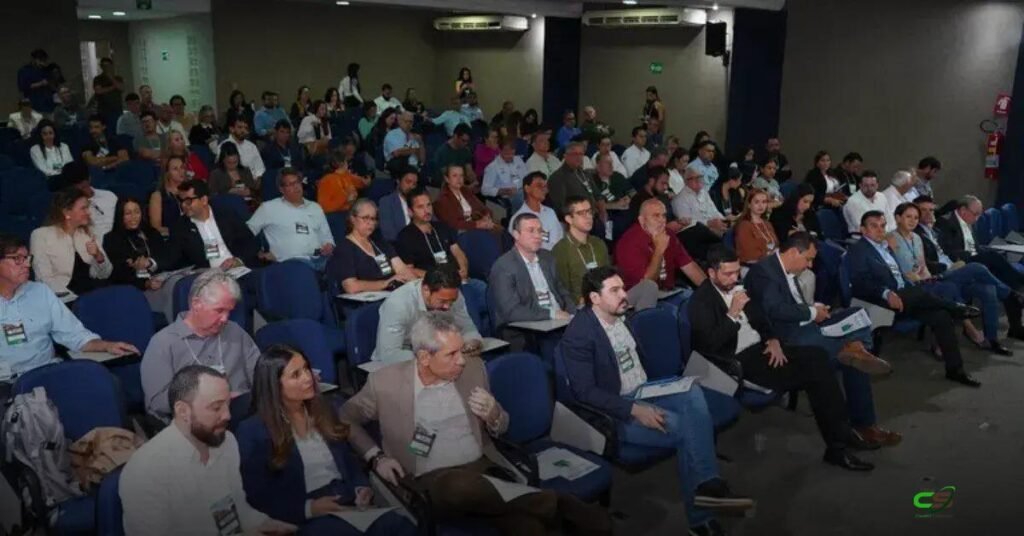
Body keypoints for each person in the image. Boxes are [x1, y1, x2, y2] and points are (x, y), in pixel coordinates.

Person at [341, 312, 611, 536]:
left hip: (483, 468)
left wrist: (493, 414)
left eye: (462, 350)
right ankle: (555, 502)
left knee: (530, 528)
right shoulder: (385, 383)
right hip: (428, 479)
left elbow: (503, 426)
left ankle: (543, 506)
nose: (461, 360)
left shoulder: (473, 369)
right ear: (424, 357)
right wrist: (376, 457)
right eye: (451, 354)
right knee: (456, 486)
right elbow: (345, 416)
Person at [562, 267, 753, 536]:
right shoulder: (579, 334)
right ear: (594, 298)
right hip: (618, 407)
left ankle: (709, 483)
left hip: (645, 389)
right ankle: (700, 517)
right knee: (686, 427)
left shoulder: (619, 316)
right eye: (614, 290)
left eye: (623, 288)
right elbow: (585, 393)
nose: (624, 295)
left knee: (693, 391)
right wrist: (633, 409)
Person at [691, 246, 878, 471]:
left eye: (737, 272)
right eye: (727, 274)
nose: (734, 278)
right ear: (711, 273)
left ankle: (841, 439)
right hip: (738, 361)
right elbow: (710, 345)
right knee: (817, 372)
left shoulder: (738, 288)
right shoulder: (701, 301)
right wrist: (732, 315)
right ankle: (840, 443)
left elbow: (760, 317)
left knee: (819, 357)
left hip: (763, 347)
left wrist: (772, 339)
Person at [237, 346, 416, 535]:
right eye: (296, 375)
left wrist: (360, 487)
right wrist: (309, 508)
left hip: (344, 499)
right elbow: (256, 495)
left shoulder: (325, 409)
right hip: (304, 512)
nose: (308, 378)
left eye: (306, 369)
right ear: (274, 385)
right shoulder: (252, 431)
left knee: (400, 526)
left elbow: (348, 460)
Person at [744, 234, 901, 446]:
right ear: (793, 252)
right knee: (855, 366)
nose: (809, 265)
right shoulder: (764, 272)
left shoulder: (788, 269)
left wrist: (815, 309)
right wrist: (811, 313)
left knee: (860, 314)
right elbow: (776, 310)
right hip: (788, 336)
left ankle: (856, 348)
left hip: (808, 325)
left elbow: (796, 304)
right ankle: (866, 425)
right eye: (808, 259)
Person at [121, 365, 297, 536]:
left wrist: (264, 524)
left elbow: (237, 509)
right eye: (216, 407)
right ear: (183, 411)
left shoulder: (226, 442)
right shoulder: (145, 470)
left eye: (228, 405)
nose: (227, 415)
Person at [848, 211, 982, 387]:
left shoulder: (886, 247)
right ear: (863, 230)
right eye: (874, 226)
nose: (880, 230)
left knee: (940, 316)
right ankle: (955, 307)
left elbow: (900, 276)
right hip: (879, 303)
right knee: (923, 294)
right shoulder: (858, 250)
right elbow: (860, 283)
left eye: (882, 226)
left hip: (906, 297)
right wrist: (886, 293)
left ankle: (955, 370)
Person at [0, 233, 136, 381]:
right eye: (17, 259)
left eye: (26, 258)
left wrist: (107, 346)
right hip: (6, 382)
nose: (26, 264)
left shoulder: (40, 292)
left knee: (105, 383)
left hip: (47, 374)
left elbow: (74, 335)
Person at [887, 202, 1010, 355]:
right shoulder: (891, 238)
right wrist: (925, 277)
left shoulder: (917, 238)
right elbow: (904, 271)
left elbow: (922, 265)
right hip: (914, 285)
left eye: (915, 218)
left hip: (933, 278)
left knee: (987, 289)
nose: (913, 221)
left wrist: (930, 276)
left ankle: (992, 340)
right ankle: (1009, 296)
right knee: (975, 268)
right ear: (898, 218)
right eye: (908, 217)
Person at [141, 268, 260, 417]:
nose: (225, 318)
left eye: (229, 311)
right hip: (195, 424)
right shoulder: (163, 343)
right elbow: (157, 403)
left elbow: (260, 377)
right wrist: (205, 400)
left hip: (243, 414)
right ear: (196, 304)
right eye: (219, 310)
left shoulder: (235, 332)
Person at [915, 195, 1024, 341]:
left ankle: (1014, 327)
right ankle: (1017, 288)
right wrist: (969, 255)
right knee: (992, 259)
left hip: (970, 261)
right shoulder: (944, 223)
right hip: (958, 264)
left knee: (999, 282)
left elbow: (974, 247)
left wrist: (978, 252)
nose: (978, 217)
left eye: (931, 210)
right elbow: (947, 252)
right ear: (963, 210)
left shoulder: (967, 223)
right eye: (975, 214)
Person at [554, 196, 658, 310]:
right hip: (585, 305)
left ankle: (633, 324)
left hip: (609, 297)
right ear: (569, 219)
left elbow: (610, 275)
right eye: (581, 213)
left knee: (648, 286)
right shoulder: (561, 250)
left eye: (589, 211)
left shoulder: (598, 243)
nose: (588, 217)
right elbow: (562, 290)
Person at [488, 213, 575, 346]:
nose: (537, 235)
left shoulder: (548, 258)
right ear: (516, 235)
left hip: (560, 323)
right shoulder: (503, 266)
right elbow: (511, 312)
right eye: (531, 231)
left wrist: (572, 312)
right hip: (526, 331)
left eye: (540, 231)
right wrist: (551, 314)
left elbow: (562, 292)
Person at [373, 265, 481, 363]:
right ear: (426, 290)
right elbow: (389, 354)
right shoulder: (398, 304)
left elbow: (467, 327)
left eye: (452, 301)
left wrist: (472, 341)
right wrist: (435, 357)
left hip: (442, 353)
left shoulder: (451, 295)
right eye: (442, 301)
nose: (448, 306)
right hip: (404, 359)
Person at [616, 198, 706, 297]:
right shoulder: (629, 242)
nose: (662, 220)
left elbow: (689, 266)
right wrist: (659, 250)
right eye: (656, 216)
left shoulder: (669, 234)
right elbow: (646, 285)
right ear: (642, 220)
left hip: (669, 292)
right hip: (640, 299)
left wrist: (713, 292)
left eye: (664, 216)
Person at [30, 188, 112, 296]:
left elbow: (105, 274)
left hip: (92, 294)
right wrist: (72, 298)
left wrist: (98, 256)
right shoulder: (41, 235)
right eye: (83, 208)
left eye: (88, 207)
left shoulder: (88, 234)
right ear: (66, 212)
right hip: (61, 299)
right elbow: (43, 278)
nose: (88, 212)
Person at [247, 168, 334, 269]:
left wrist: (329, 246)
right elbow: (247, 233)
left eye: (297, 182)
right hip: (292, 263)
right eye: (290, 184)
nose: (296, 187)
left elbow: (327, 237)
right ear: (281, 189)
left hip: (320, 259)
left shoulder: (315, 207)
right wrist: (259, 253)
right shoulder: (269, 208)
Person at [327, 199, 416, 294]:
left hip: (393, 294)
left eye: (373, 219)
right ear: (353, 219)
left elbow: (403, 270)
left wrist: (417, 285)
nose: (370, 223)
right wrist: (385, 283)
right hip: (365, 303)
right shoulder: (344, 248)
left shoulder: (380, 243)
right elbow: (351, 286)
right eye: (365, 218)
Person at [170, 179, 260, 270]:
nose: (183, 205)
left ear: (204, 200)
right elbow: (177, 261)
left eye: (188, 201)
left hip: (239, 267)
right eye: (181, 201)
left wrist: (239, 260)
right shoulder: (180, 227)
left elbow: (251, 242)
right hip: (209, 277)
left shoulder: (226, 214)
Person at [395, 188, 470, 279]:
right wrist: (439, 277)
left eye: (428, 205)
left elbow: (458, 252)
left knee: (481, 286)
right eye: (420, 207)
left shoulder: (442, 226)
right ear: (410, 212)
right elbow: (409, 270)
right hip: (433, 284)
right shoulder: (405, 236)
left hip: (457, 278)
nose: (427, 211)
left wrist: (463, 269)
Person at [103, 196, 172, 293]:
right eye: (128, 213)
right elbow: (119, 274)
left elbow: (165, 257)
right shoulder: (112, 239)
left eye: (137, 212)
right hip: (130, 289)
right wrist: (145, 283)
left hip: (159, 281)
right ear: (120, 215)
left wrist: (151, 263)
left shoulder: (152, 233)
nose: (133, 217)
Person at [672, 167, 727, 260]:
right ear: (686, 181)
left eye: (700, 177)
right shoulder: (679, 199)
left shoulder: (704, 193)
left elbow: (714, 211)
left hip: (715, 229)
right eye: (695, 178)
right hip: (697, 236)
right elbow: (687, 224)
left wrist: (724, 221)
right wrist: (709, 223)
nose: (699, 180)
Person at [60, 161, 117, 240]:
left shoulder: (109, 196)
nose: (82, 191)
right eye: (78, 188)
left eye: (84, 186)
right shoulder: (71, 208)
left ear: (89, 179)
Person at [434, 164, 498, 232]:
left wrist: (486, 216)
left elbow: (484, 209)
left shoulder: (465, 191)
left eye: (461, 175)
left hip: (478, 227)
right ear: (447, 179)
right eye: (455, 176)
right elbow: (454, 224)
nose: (459, 179)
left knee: (503, 235)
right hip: (461, 233)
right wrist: (477, 224)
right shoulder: (442, 199)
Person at [547, 142, 603, 220]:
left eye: (581, 154)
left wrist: (603, 212)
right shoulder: (557, 178)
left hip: (594, 217)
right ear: (566, 156)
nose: (578, 157)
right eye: (575, 154)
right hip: (576, 220)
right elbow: (561, 207)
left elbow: (598, 196)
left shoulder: (585, 174)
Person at [511, 172, 563, 250]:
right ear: (527, 189)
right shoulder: (518, 219)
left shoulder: (550, 212)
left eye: (545, 186)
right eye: (539, 186)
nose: (544, 189)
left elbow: (560, 236)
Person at [734, 189, 781, 264]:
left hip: (769, 262)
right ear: (749, 204)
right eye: (756, 202)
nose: (761, 205)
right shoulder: (744, 225)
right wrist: (769, 254)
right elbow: (749, 253)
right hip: (752, 265)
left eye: (764, 202)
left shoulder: (767, 224)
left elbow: (776, 244)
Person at [481, 137, 527, 211]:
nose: (509, 155)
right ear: (500, 150)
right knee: (522, 198)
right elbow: (484, 190)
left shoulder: (518, 160)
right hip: (507, 197)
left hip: (522, 191)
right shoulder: (492, 167)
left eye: (512, 152)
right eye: (506, 152)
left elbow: (526, 177)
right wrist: (502, 191)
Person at [317, 148, 367, 214]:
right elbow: (324, 207)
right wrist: (345, 198)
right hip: (337, 216)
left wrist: (366, 181)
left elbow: (361, 182)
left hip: (351, 211)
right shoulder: (326, 180)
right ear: (343, 163)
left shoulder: (346, 175)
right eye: (346, 161)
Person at [216, 116, 266, 180]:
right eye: (240, 127)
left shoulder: (252, 146)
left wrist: (256, 181)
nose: (243, 130)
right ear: (231, 129)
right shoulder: (223, 146)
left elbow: (260, 168)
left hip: (253, 183)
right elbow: (221, 170)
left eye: (246, 128)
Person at [149, 156, 187, 237]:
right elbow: (156, 227)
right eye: (175, 169)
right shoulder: (158, 196)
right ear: (167, 173)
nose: (181, 171)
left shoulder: (190, 192)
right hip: (170, 238)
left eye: (182, 167)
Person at [379, 168, 418, 242]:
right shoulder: (387, 202)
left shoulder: (418, 201)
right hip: (399, 247)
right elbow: (389, 235)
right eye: (408, 182)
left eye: (414, 184)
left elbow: (432, 224)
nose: (411, 187)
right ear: (398, 181)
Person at [17, 49, 55, 114]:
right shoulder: (25, 71)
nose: (42, 62)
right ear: (33, 59)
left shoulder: (46, 70)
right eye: (40, 60)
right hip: (34, 106)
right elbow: (23, 87)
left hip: (49, 105)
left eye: (44, 60)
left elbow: (52, 85)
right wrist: (40, 83)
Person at [92, 57, 125, 128]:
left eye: (108, 65)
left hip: (117, 110)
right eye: (104, 66)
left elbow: (121, 88)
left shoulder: (118, 78)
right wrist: (113, 87)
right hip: (103, 111)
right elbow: (99, 91)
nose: (106, 68)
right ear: (101, 67)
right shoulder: (98, 79)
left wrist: (111, 77)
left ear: (111, 66)